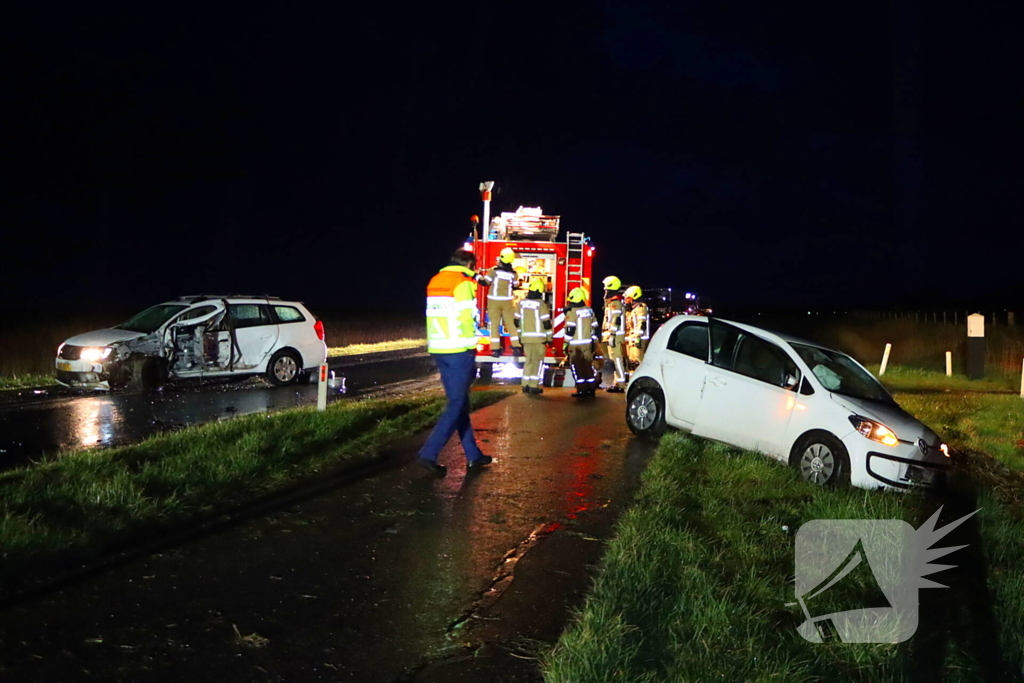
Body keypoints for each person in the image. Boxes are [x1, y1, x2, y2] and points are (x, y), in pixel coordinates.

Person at [418, 248, 493, 476]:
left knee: (460, 403)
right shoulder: (463, 284)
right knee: (457, 404)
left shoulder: (436, 281)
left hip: (439, 347)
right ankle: (428, 453)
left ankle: (473, 455)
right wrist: (476, 340)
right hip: (459, 349)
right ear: (470, 265)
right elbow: (464, 318)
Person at [478, 246, 521, 358]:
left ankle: (495, 350)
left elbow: (484, 282)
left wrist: (476, 275)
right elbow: (516, 286)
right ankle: (517, 347)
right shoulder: (514, 274)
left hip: (494, 301)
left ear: (501, 257)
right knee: (511, 325)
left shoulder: (494, 271)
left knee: (494, 325)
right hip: (507, 302)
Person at [515, 278, 553, 394]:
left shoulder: (521, 303)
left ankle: (525, 385)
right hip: (538, 339)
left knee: (529, 361)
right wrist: (549, 338)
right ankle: (533, 385)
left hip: (525, 338)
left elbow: (516, 321)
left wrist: (519, 336)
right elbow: (546, 323)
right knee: (537, 362)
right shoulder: (541, 304)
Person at [563, 287, 598, 397]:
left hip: (575, 345)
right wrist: (594, 341)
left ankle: (582, 389)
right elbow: (595, 327)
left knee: (577, 367)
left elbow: (570, 330)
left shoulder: (572, 312)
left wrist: (566, 343)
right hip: (587, 343)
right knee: (587, 366)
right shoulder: (589, 310)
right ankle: (591, 389)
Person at [601, 275, 628, 393]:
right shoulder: (613, 302)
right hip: (614, 336)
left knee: (617, 360)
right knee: (615, 360)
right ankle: (617, 382)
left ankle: (620, 383)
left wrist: (612, 334)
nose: (604, 290)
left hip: (615, 337)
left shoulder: (615, 303)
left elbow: (616, 320)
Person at [623, 285, 651, 368]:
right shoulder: (633, 310)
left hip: (639, 341)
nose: (625, 300)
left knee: (638, 361)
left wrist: (638, 338)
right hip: (633, 341)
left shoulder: (641, 308)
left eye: (628, 298)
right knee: (632, 363)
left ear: (633, 297)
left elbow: (641, 324)